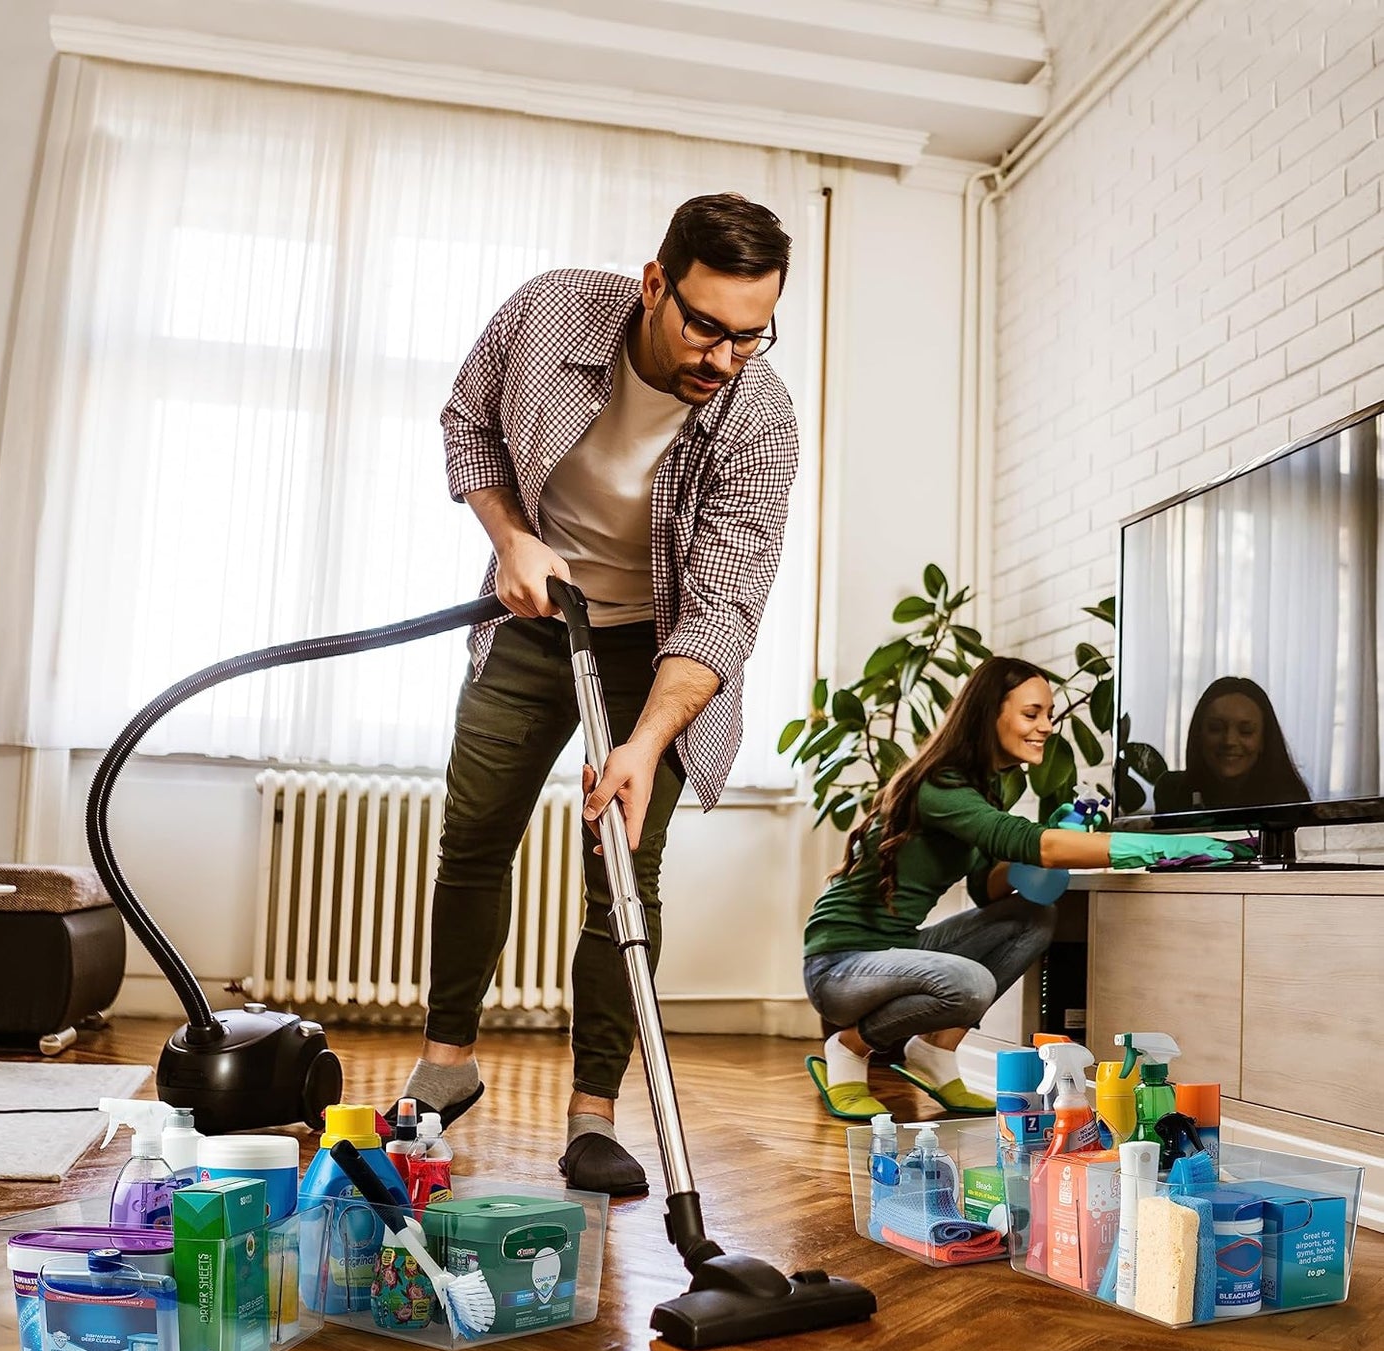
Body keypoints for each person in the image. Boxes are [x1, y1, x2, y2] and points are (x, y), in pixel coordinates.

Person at [391, 194, 799, 1197]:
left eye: (751, 335)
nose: (722, 357)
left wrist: (648, 739)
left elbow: (722, 609)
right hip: (533, 619)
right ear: (655, 283)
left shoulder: (760, 418)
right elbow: (469, 425)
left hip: (654, 652)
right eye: (705, 324)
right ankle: (447, 1063)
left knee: (621, 867)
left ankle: (592, 1115)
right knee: (475, 833)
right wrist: (509, 537)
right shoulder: (550, 315)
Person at [802, 656, 1242, 1121]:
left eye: (1049, 715)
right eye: (1032, 714)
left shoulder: (981, 788)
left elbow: (987, 889)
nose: (1047, 727)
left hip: (893, 953)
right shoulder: (940, 784)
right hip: (840, 966)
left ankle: (935, 1049)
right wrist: (1161, 849)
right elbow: (1041, 848)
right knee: (970, 983)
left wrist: (1034, 845)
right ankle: (849, 1048)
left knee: (1033, 917)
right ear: (990, 714)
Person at [1154, 676, 1310, 813]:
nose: (1229, 741)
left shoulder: (1290, 800)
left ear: (1264, 740)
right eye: (1216, 728)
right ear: (1199, 735)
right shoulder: (1172, 791)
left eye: (1246, 731)